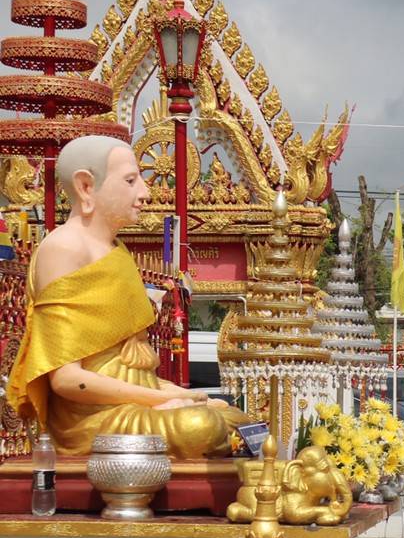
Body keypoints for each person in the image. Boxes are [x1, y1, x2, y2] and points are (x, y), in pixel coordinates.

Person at [4, 135, 247, 457]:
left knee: (236, 419)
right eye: (131, 181)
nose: (145, 193)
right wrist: (165, 402)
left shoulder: (115, 252)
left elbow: (132, 372)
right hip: (93, 420)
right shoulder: (64, 248)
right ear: (86, 187)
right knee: (199, 428)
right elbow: (66, 380)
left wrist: (189, 396)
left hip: (135, 405)